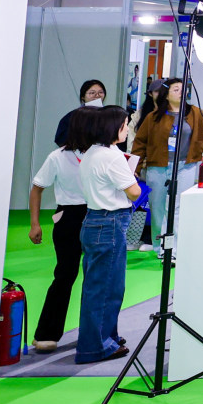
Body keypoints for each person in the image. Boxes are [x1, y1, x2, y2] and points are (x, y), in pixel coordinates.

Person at [73, 105, 139, 364]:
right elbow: (134, 191)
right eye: (125, 124)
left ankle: (104, 337)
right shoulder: (111, 157)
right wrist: (130, 178)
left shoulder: (93, 152)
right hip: (109, 222)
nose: (127, 129)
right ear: (114, 127)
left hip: (96, 220)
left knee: (101, 286)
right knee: (105, 288)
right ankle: (95, 346)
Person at [132, 78, 203, 243]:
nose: (181, 92)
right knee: (157, 208)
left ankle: (174, 248)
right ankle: (159, 247)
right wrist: (135, 166)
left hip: (185, 166)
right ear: (166, 95)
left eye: (183, 89)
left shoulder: (197, 114)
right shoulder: (153, 117)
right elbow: (140, 143)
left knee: (178, 207)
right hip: (157, 167)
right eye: (176, 89)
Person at [28, 108, 90, 353]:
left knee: (98, 277)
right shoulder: (57, 157)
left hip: (98, 214)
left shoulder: (102, 154)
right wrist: (35, 224)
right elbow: (37, 188)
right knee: (65, 274)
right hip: (68, 216)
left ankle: (97, 333)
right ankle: (46, 333)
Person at [52, 79, 107, 146]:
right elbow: (61, 139)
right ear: (83, 97)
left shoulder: (110, 115)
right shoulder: (72, 116)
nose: (97, 95)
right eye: (92, 93)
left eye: (101, 92)